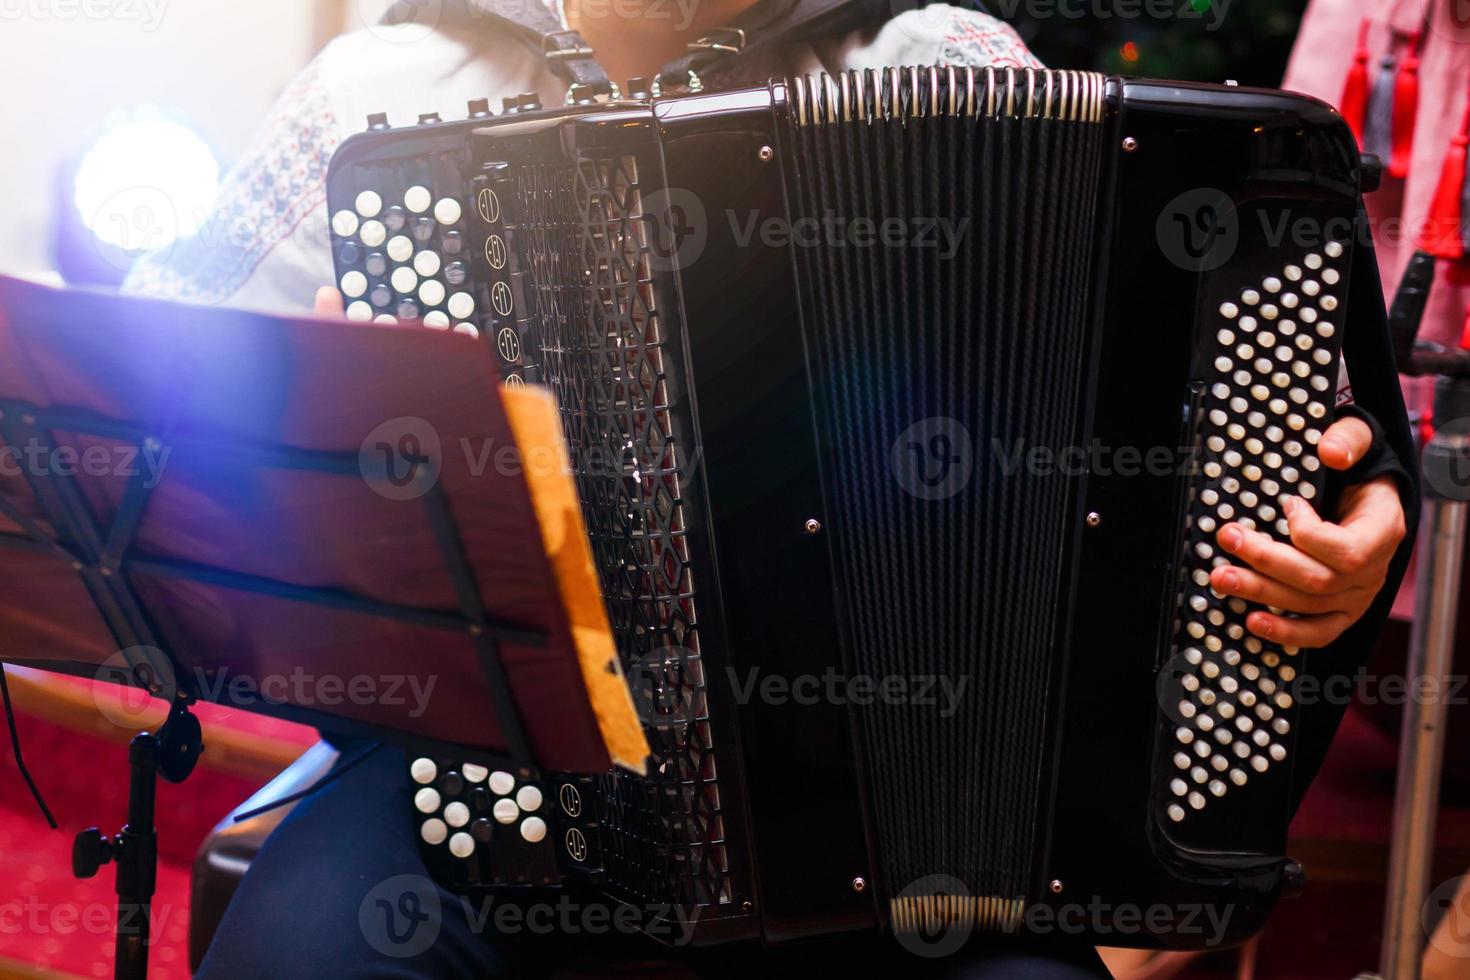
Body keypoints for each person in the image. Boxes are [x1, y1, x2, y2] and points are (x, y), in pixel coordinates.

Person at [121, 1, 1414, 975]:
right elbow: (144, 393)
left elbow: (1169, 411)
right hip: (492, 777)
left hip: (913, 820)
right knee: (306, 954)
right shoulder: (390, 84)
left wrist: (1359, 515)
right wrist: (304, 414)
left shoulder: (937, 66)